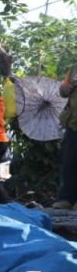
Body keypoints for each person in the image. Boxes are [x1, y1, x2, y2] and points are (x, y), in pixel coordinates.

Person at [54, 65, 77, 208]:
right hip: (73, 122)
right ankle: (67, 199)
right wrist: (66, 88)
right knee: (69, 162)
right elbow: (63, 90)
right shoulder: (74, 68)